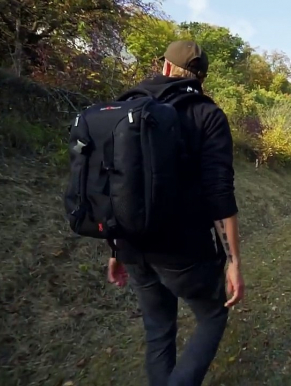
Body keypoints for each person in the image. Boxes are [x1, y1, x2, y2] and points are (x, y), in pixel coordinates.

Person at [106, 40, 245, 386]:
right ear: (201, 79)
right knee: (213, 316)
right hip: (183, 252)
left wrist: (115, 249)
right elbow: (219, 194)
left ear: (165, 67)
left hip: (131, 244)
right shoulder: (207, 114)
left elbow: (110, 184)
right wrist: (234, 261)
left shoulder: (127, 105)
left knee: (158, 330)